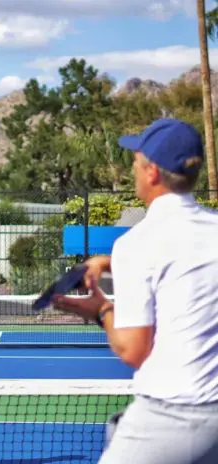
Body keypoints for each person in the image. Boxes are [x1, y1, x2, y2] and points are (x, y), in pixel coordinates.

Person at [52, 118, 218, 464]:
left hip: (169, 419)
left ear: (152, 172)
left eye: (136, 161)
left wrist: (99, 310)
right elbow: (183, 263)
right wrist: (108, 262)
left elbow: (133, 351)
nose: (132, 167)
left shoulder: (138, 244)